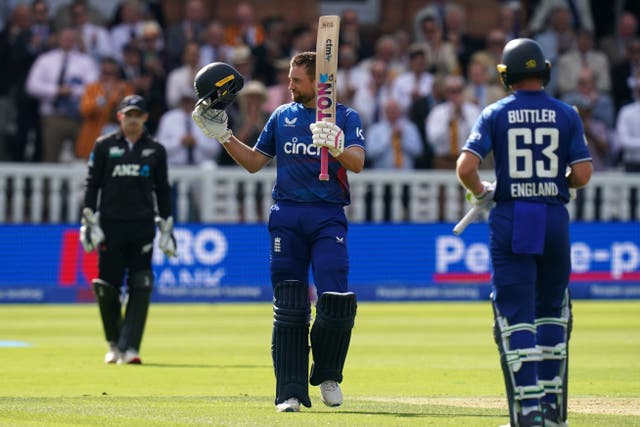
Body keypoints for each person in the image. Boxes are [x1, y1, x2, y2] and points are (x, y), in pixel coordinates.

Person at [191, 53, 365, 412]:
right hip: (286, 215)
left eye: (296, 80)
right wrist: (224, 136)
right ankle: (290, 391)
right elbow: (255, 163)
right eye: (288, 79)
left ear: (319, 83)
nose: (289, 86)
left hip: (328, 216)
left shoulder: (345, 117)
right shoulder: (281, 116)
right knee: (290, 304)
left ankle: (328, 373)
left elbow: (358, 163)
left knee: (335, 298)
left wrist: (336, 147)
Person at [456, 38, 592, 427]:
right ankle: (552, 412)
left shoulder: (495, 113)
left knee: (516, 315)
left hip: (513, 217)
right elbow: (582, 174)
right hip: (552, 217)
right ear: (544, 71)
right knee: (552, 311)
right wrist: (550, 182)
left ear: (505, 75)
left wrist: (481, 192)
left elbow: (466, 167)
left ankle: (527, 413)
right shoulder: (566, 113)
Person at [79, 94, 176, 365]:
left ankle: (131, 347)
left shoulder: (156, 149)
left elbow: (163, 190)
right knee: (107, 287)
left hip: (143, 225)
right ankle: (114, 343)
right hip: (110, 225)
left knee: (141, 284)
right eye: (128, 115)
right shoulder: (104, 146)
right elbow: (92, 184)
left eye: (137, 115)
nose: (132, 120)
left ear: (145, 118)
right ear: (120, 116)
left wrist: (167, 225)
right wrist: (89, 218)